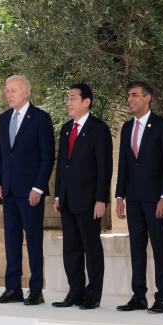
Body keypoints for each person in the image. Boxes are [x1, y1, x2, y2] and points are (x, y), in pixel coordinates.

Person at [0, 75, 55, 306]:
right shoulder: (4, 118)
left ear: (26, 92)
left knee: (34, 241)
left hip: (31, 193)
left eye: (13, 91)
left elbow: (47, 157)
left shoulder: (40, 118)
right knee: (11, 241)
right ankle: (13, 288)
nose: (8, 94)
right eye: (7, 91)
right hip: (8, 192)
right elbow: (1, 154)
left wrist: (38, 186)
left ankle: (36, 290)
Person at [115, 81, 163, 314]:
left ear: (147, 98)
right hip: (134, 199)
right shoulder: (127, 128)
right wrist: (119, 196)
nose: (130, 99)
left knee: (159, 248)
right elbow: (124, 165)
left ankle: (162, 297)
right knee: (136, 247)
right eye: (128, 95)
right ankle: (138, 296)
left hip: (155, 199)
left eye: (135, 95)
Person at [52, 84, 112, 310]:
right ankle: (74, 292)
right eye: (68, 98)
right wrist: (58, 195)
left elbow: (104, 168)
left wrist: (101, 199)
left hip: (89, 201)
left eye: (73, 98)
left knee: (91, 248)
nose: (69, 102)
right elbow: (62, 165)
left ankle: (93, 295)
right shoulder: (66, 128)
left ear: (87, 102)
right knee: (71, 249)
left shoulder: (99, 129)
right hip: (67, 200)